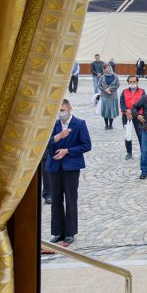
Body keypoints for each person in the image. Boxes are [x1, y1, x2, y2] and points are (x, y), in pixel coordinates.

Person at [45, 99, 91, 246]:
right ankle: (58, 232)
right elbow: (44, 142)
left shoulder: (79, 124)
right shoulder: (54, 124)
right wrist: (58, 137)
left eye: (63, 110)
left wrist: (68, 151)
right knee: (56, 200)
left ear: (69, 109)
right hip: (54, 166)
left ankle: (70, 232)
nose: (61, 113)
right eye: (58, 111)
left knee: (70, 199)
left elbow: (86, 145)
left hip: (71, 167)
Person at [120, 76, 144, 160]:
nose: (132, 83)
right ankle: (129, 152)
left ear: (137, 82)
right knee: (128, 134)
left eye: (134, 81)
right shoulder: (124, 92)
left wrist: (135, 113)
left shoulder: (142, 92)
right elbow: (122, 103)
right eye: (130, 82)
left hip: (138, 116)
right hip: (126, 116)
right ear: (128, 82)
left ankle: (143, 152)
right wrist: (126, 111)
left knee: (140, 134)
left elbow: (143, 104)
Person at [97, 65, 120, 129]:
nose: (107, 69)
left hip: (113, 96)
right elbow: (99, 85)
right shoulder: (102, 77)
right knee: (105, 111)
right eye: (105, 68)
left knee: (112, 111)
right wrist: (105, 90)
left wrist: (110, 89)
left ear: (110, 68)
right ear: (104, 69)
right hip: (105, 96)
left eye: (108, 68)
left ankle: (111, 125)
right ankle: (106, 125)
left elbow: (118, 84)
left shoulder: (115, 76)